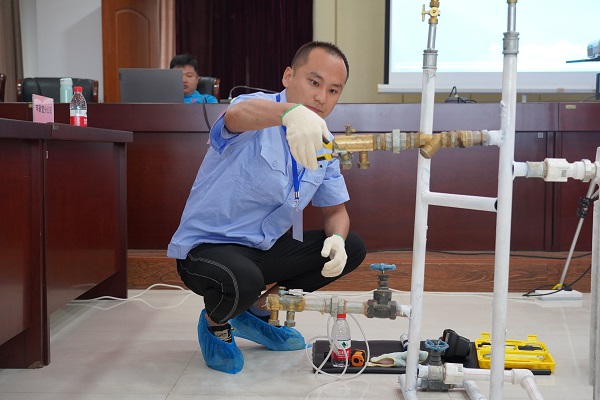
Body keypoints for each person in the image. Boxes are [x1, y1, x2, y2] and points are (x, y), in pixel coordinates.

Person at [167, 41, 367, 374]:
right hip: (207, 250)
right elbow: (236, 116)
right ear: (288, 76)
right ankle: (216, 322)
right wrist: (289, 113)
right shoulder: (255, 108)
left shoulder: (324, 144)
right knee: (244, 279)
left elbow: (336, 212)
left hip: (262, 250)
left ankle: (257, 311)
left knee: (353, 246)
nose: (322, 97)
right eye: (314, 82)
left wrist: (337, 240)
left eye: (333, 90)